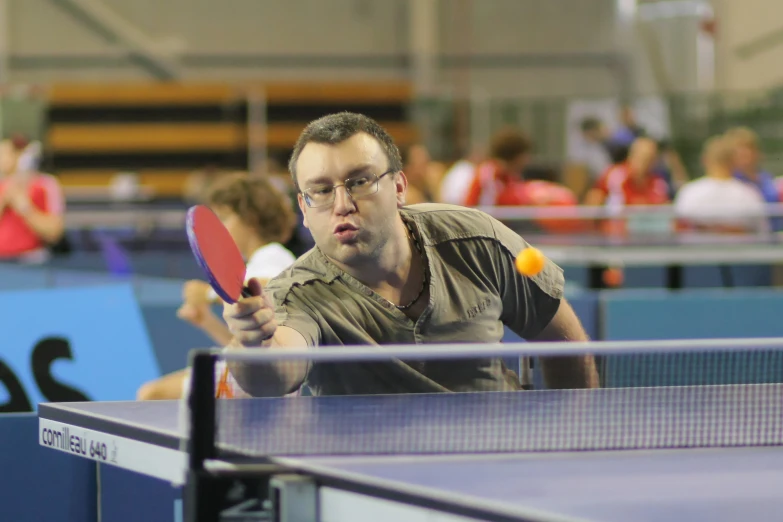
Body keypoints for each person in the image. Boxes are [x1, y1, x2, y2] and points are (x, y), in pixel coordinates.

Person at [220, 112, 599, 397]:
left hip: (499, 457)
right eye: (320, 190)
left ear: (399, 186)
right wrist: (254, 344)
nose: (342, 204)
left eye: (360, 181)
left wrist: (576, 438)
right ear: (303, 207)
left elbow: (563, 340)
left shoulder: (477, 240)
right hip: (377, 483)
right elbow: (275, 374)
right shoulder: (297, 292)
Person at [136, 172, 298, 400]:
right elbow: (246, 347)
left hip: (269, 378)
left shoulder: (272, 255)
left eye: (225, 217)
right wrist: (206, 322)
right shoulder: (255, 263)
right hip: (254, 370)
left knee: (152, 394)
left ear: (249, 219)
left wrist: (209, 293)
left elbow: (267, 288)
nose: (220, 228)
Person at [674, 136, 768, 234]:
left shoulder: (689, 192)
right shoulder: (749, 194)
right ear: (734, 161)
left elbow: (679, 230)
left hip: (696, 248)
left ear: (704, 160)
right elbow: (762, 233)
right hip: (739, 248)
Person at [0, 136, 65, 263]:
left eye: (4, 153)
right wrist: (4, 200)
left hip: (31, 261)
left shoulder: (45, 185)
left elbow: (53, 233)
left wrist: (24, 207)